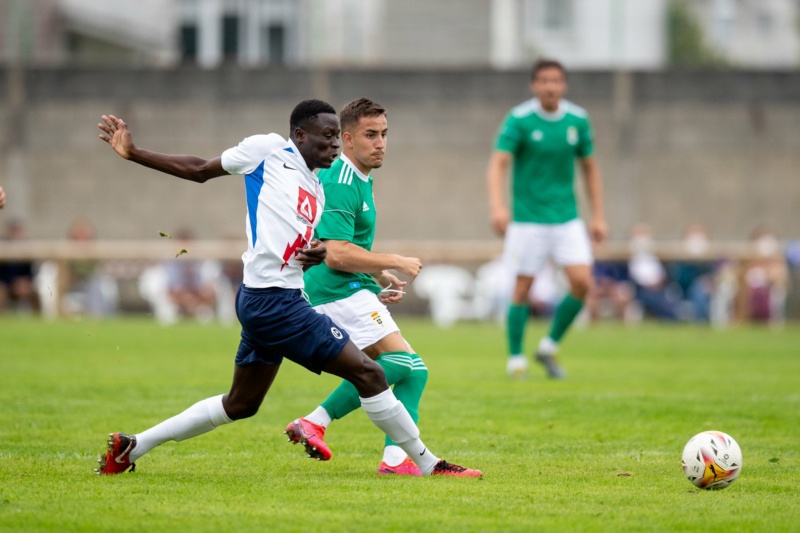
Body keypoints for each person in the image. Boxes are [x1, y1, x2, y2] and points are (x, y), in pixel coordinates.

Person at [94, 100, 480, 478]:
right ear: (299, 134)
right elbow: (199, 169)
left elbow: (297, 247)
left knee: (241, 403)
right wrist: (134, 152)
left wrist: (309, 254)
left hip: (271, 299)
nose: (334, 145)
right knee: (370, 374)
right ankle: (428, 463)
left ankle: (133, 446)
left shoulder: (316, 186)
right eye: (327, 137)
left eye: (336, 138)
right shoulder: (266, 149)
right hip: (274, 303)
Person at [284, 98, 470, 477]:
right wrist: (394, 261)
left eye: (384, 134)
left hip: (350, 287)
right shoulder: (341, 180)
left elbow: (343, 245)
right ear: (347, 139)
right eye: (371, 135)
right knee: (402, 363)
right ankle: (316, 421)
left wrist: (377, 276)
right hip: (333, 291)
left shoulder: (360, 178)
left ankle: (396, 459)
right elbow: (336, 255)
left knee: (414, 373)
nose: (381, 142)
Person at [486, 58, 608, 379]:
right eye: (543, 80)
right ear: (534, 85)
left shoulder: (578, 120)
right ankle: (515, 359)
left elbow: (590, 168)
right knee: (523, 288)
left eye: (555, 80)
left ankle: (548, 346)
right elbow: (499, 162)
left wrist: (598, 216)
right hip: (528, 219)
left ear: (563, 85)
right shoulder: (520, 119)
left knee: (583, 283)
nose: (550, 86)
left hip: (567, 218)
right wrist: (498, 207)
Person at [0, 219, 39, 314]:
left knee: (36, 294)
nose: (16, 235)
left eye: (18, 231)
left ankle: (39, 321)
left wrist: (25, 283)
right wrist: (13, 283)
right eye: (13, 231)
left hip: (23, 285)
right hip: (6, 285)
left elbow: (30, 272)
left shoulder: (27, 250)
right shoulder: (2, 248)